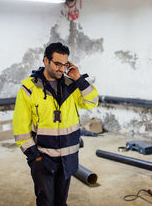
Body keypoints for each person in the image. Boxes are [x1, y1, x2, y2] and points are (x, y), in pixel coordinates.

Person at [12, 42, 98, 206]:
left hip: (68, 157)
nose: (61, 68)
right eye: (57, 63)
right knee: (46, 202)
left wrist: (78, 78)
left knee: (61, 202)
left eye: (65, 64)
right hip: (43, 159)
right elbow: (20, 128)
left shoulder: (71, 85)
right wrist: (35, 157)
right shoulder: (29, 89)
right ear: (46, 60)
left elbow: (92, 101)